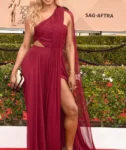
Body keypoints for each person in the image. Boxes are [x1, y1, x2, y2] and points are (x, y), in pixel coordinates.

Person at [10, 0, 96, 150]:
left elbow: (70, 46)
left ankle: (68, 148)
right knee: (40, 112)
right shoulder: (33, 16)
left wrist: (72, 73)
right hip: (35, 65)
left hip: (56, 66)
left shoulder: (66, 15)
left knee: (72, 109)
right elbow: (25, 46)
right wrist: (14, 70)